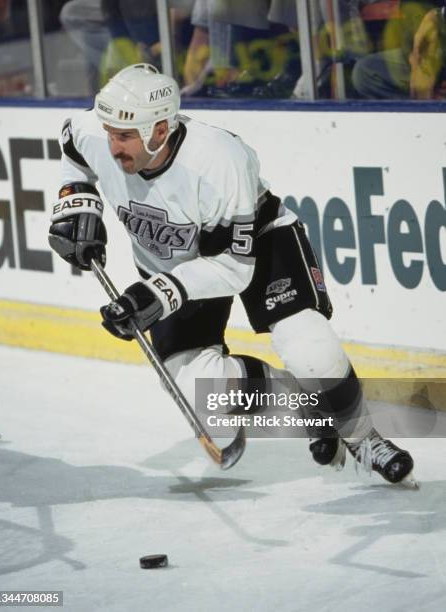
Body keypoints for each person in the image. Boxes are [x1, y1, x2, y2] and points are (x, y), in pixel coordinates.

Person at [48, 63, 416, 485]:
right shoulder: (94, 134)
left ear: (161, 130)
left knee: (310, 347)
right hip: (171, 265)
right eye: (110, 131)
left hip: (255, 243)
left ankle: (363, 436)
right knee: (199, 390)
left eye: (126, 136)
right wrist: (76, 199)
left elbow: (234, 269)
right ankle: (307, 407)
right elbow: (73, 153)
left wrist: (158, 294)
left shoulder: (220, 160)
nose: (114, 146)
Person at [352, 0, 445, 99]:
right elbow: (412, 25)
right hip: (426, 55)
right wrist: (413, 58)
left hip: (437, 51)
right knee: (365, 72)